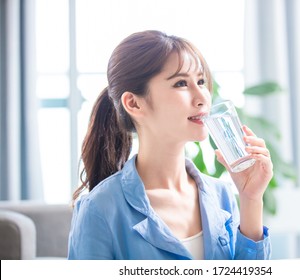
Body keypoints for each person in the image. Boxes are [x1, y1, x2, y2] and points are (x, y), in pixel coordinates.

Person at [68, 30, 273, 260]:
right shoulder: (99, 209)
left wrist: (251, 199)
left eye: (202, 81)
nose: (202, 97)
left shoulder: (222, 196)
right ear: (134, 103)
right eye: (181, 83)